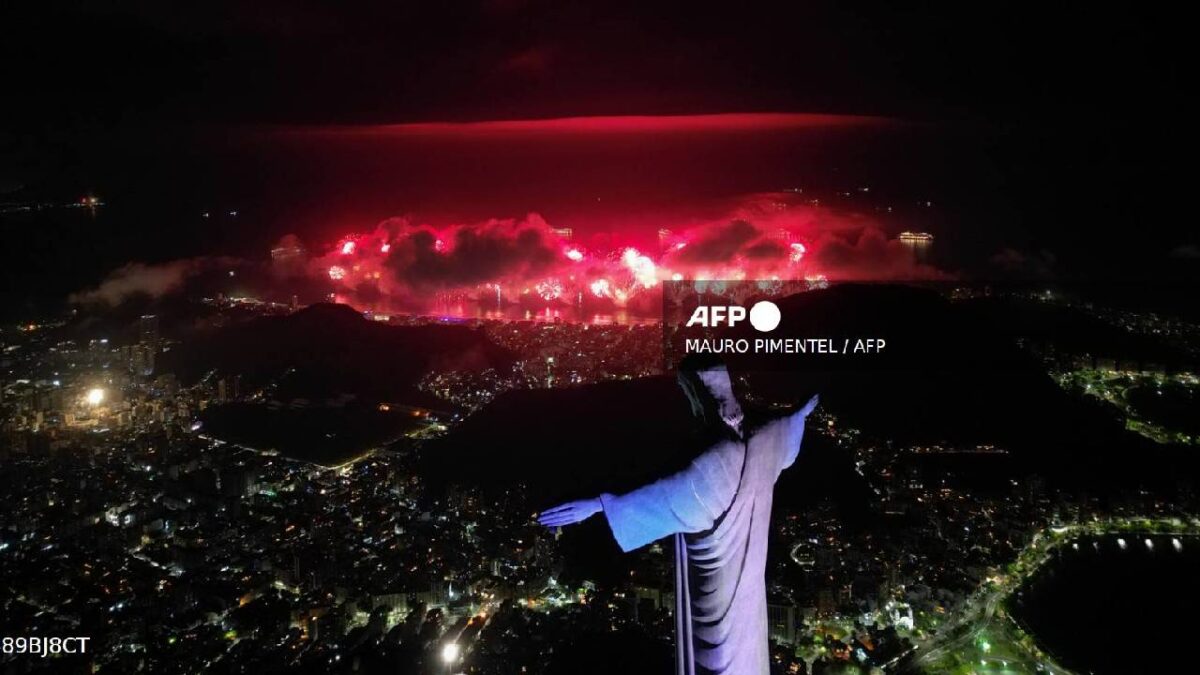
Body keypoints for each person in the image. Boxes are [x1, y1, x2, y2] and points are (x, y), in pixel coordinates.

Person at [539, 358, 818, 675]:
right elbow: (786, 432)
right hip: (749, 599)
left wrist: (597, 505)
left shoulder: (711, 466)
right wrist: (799, 415)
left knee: (713, 662)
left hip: (713, 605)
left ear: (697, 397)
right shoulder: (763, 442)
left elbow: (659, 495)